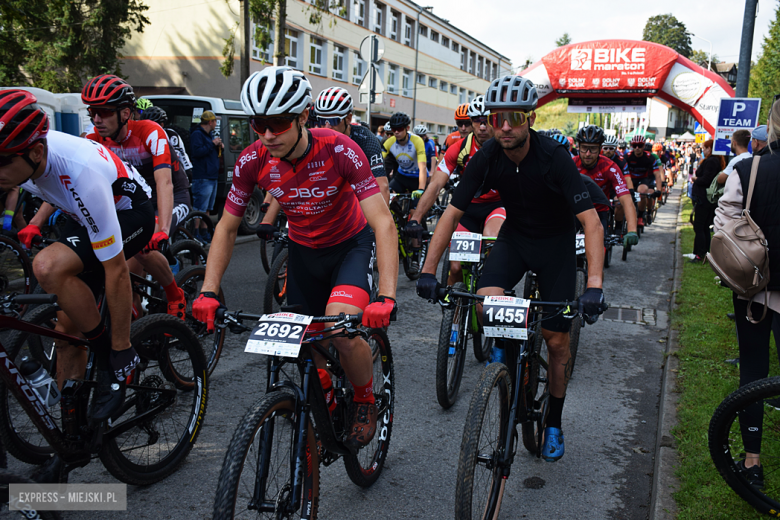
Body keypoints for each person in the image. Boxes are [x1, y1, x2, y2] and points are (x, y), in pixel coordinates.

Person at [192, 67, 398, 449]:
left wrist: (386, 295)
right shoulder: (252, 160)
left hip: (350, 246)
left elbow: (383, 222)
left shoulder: (339, 148)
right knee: (302, 341)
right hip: (304, 252)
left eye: (278, 123)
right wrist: (208, 290)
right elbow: (225, 228)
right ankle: (324, 395)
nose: (267, 135)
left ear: (303, 116)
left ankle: (365, 399)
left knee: (339, 329)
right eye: (258, 124)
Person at [416, 76, 607, 463]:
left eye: (515, 117)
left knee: (556, 343)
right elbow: (452, 213)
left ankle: (553, 421)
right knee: (486, 305)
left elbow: (592, 223)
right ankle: (505, 352)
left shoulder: (553, 157)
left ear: (530, 118)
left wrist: (594, 285)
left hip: (555, 247)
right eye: (498, 117)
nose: (504, 126)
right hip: (515, 240)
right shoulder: (485, 157)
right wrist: (428, 270)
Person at [0, 90, 154, 421]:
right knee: (68, 331)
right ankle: (69, 438)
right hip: (81, 211)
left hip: (128, 211)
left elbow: (116, 270)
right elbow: (51, 189)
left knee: (48, 266)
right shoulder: (25, 155)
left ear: (36, 152)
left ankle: (113, 362)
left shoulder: (80, 172)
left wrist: (119, 348)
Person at [713, 99, 780, 489]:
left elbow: (725, 221)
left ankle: (752, 461)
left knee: (753, 371)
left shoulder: (749, 169)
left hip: (756, 287)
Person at [81, 74, 187, 320]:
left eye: (104, 112)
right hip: (132, 201)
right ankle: (136, 314)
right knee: (120, 259)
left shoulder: (150, 132)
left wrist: (162, 227)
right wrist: (36, 222)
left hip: (170, 195)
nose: (97, 119)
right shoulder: (94, 138)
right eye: (92, 112)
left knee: (143, 246)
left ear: (126, 113)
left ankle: (175, 294)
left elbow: (165, 182)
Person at [406, 95, 505, 286]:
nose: (482, 127)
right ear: (471, 122)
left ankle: (488, 291)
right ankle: (454, 312)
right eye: (477, 121)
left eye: (487, 121)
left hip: (496, 207)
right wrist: (416, 218)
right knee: (456, 268)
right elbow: (435, 185)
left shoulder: (505, 147)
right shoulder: (459, 149)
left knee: (492, 247)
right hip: (466, 209)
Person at [313, 87, 389, 204]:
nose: (327, 127)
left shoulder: (365, 138)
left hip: (358, 192)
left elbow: (382, 186)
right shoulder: (315, 138)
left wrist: (380, 221)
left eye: (333, 121)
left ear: (348, 119)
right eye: (322, 121)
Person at [573, 125, 638, 247]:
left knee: (598, 246)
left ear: (599, 149)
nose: (588, 153)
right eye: (584, 148)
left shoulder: (610, 167)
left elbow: (626, 199)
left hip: (599, 212)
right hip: (574, 211)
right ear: (578, 147)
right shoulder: (570, 164)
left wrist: (632, 230)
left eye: (592, 149)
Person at [190, 110, 223, 243]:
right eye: (215, 121)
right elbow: (197, 152)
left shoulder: (209, 135)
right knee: (199, 207)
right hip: (203, 176)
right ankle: (195, 233)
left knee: (208, 208)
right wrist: (212, 144)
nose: (216, 123)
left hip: (212, 176)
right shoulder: (197, 134)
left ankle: (205, 232)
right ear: (210, 122)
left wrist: (219, 146)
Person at [689, 139, 725, 263]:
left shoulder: (711, 161)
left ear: (710, 149)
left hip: (704, 199)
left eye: (704, 148)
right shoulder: (715, 161)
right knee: (703, 227)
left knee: (700, 226)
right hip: (705, 199)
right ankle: (701, 252)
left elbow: (706, 180)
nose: (702, 150)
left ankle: (700, 253)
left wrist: (695, 179)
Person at [382, 112, 428, 193]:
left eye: (399, 129)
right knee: (388, 194)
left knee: (417, 204)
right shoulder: (389, 142)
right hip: (401, 176)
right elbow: (378, 162)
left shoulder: (417, 141)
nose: (396, 132)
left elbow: (422, 167)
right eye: (393, 129)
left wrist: (421, 189)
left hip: (417, 177)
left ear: (407, 128)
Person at [624, 135, 663, 227]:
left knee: (642, 192)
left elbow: (657, 175)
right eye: (634, 145)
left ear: (644, 146)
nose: (637, 148)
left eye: (640, 145)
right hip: (630, 179)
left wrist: (659, 190)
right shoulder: (627, 157)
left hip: (643, 179)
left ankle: (641, 216)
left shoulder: (650, 157)